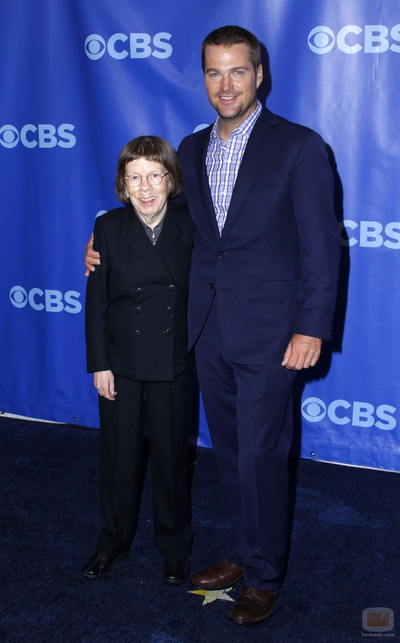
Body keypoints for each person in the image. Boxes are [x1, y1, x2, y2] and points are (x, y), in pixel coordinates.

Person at [85, 26, 340, 626]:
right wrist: (103, 246)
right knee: (229, 452)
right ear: (203, 77)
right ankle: (242, 552)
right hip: (207, 331)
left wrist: (311, 327)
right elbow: (166, 222)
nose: (225, 85)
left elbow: (322, 246)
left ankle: (265, 576)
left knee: (262, 455)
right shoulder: (192, 148)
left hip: (274, 334)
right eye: (213, 72)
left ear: (260, 75)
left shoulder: (300, 147)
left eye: (237, 71)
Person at [82, 136, 195, 585]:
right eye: (134, 178)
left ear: (171, 179)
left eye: (154, 176)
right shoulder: (107, 228)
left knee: (172, 460)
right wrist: (100, 364)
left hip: (173, 362)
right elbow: (97, 305)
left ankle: (175, 548)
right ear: (123, 185)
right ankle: (112, 541)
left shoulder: (194, 224)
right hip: (122, 364)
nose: (145, 188)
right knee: (118, 459)